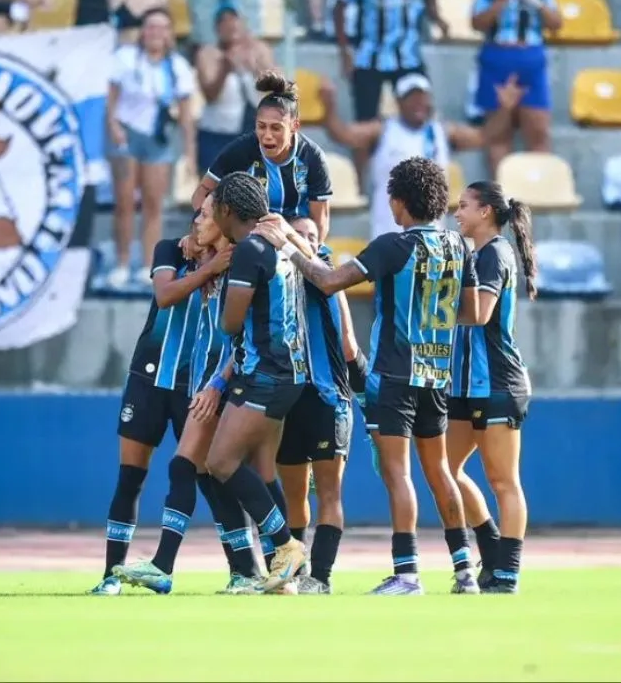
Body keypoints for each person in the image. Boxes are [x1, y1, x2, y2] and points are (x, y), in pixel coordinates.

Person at [252, 156, 484, 595]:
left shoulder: (392, 246)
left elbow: (328, 281)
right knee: (440, 472)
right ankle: (464, 571)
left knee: (398, 475)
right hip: (437, 373)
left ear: (400, 202)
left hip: (394, 375)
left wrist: (289, 246)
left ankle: (407, 574)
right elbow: (471, 312)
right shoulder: (459, 246)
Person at [109, 194, 265, 595]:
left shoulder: (242, 265)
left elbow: (239, 335)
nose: (196, 220)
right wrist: (208, 267)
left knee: (212, 476)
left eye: (206, 214)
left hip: (202, 385)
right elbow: (164, 296)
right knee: (135, 476)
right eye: (197, 213)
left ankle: (257, 563)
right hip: (151, 378)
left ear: (226, 218)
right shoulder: (173, 251)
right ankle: (113, 576)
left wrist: (218, 384)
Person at [202, 172, 310, 594]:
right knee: (263, 472)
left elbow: (231, 323)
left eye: (214, 208)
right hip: (290, 372)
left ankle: (286, 546)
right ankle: (285, 578)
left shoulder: (249, 250)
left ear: (228, 210)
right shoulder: (278, 245)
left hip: (263, 374)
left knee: (220, 463)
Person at [272, 216, 369, 595]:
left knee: (328, 493)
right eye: (298, 233)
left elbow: (349, 345)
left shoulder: (330, 277)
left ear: (321, 241)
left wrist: (366, 393)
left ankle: (320, 577)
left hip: (329, 399)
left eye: (311, 235)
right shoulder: (280, 277)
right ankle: (296, 574)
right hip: (292, 400)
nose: (305, 240)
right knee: (295, 494)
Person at [448, 181, 536, 594]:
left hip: (497, 383)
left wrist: (431, 306)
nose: (457, 212)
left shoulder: (494, 254)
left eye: (464, 205)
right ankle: (490, 545)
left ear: (485, 212)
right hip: (466, 385)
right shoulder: (477, 254)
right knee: (445, 470)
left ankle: (507, 572)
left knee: (503, 481)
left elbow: (480, 314)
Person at [317, 72, 483, 240]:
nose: (418, 103)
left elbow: (484, 137)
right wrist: (329, 106)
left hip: (432, 238)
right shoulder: (383, 130)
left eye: (422, 97)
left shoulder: (442, 132)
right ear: (399, 102)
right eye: (411, 98)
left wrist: (499, 110)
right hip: (389, 235)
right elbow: (343, 134)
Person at [105, 7, 198, 291]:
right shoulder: (125, 58)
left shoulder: (177, 67)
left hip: (157, 138)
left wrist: (190, 152)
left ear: (170, 34)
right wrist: (113, 126)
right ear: (143, 31)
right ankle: (122, 263)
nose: (156, 33)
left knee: (153, 204)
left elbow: (186, 114)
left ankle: (148, 263)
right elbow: (110, 98)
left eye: (162, 27)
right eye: (151, 27)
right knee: (124, 202)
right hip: (127, 133)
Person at [334, 0, 447, 184]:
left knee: (423, 115)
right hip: (369, 58)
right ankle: (359, 184)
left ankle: (427, 179)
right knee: (365, 123)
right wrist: (345, 51)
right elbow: (340, 8)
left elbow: (430, 0)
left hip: (409, 57)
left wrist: (438, 20)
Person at [190, 71, 333, 242]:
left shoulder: (312, 157)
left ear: (294, 126)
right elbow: (202, 193)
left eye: (276, 128)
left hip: (294, 240)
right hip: (250, 239)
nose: (267, 136)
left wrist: (308, 255)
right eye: (261, 126)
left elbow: (320, 222)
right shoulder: (242, 150)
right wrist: (205, 234)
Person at [470, 0, 562, 175]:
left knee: (538, 131)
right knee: (498, 134)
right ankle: (501, 190)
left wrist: (536, 3)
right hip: (497, 60)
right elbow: (477, 23)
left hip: (531, 61)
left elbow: (556, 23)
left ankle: (538, 186)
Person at [193, 6, 273, 174]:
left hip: (250, 132)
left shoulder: (259, 51)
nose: (230, 27)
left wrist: (254, 68)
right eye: (224, 23)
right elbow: (210, 96)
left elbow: (277, 88)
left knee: (249, 185)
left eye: (234, 22)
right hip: (217, 132)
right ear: (217, 29)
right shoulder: (208, 54)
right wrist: (224, 69)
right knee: (214, 186)